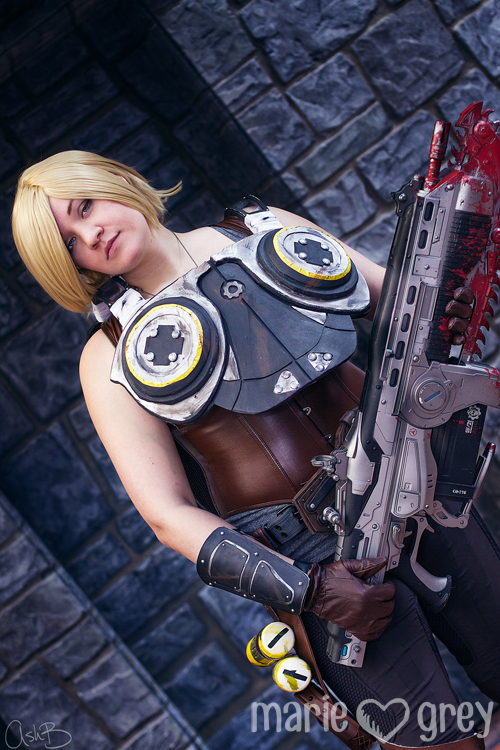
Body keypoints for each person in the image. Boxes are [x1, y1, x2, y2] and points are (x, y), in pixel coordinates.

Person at [12, 151, 500, 749]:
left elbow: (400, 309)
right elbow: (166, 513)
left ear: (116, 180)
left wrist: (446, 312)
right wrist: (308, 588)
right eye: (70, 243)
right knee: (436, 745)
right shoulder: (109, 354)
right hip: (318, 559)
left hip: (410, 487)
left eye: (85, 207)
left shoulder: (262, 230)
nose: (90, 234)